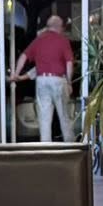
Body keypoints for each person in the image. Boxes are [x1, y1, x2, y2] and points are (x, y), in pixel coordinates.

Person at [14, 13, 77, 142]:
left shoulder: (39, 40)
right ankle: (70, 146)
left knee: (44, 119)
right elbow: (69, 63)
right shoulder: (63, 40)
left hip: (42, 81)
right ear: (59, 27)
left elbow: (23, 57)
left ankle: (46, 147)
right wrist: (69, 82)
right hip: (58, 81)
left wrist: (16, 74)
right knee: (64, 116)